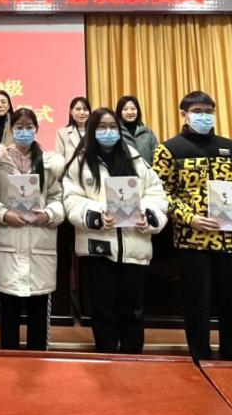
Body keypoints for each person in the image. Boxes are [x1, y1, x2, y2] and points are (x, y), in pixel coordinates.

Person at [153, 91, 232, 362]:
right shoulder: (169, 149)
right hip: (193, 241)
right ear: (184, 114)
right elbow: (161, 193)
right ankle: (200, 357)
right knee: (196, 304)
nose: (204, 116)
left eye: (208, 111)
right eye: (197, 111)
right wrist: (189, 217)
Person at [62, 108, 168, 354]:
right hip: (98, 249)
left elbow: (156, 193)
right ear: (92, 130)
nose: (108, 132)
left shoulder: (135, 159)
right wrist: (97, 216)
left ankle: (133, 358)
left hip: (134, 246)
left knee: (133, 311)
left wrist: (147, 216)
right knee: (103, 310)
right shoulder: (79, 163)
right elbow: (72, 201)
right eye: (102, 127)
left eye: (112, 127)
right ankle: (106, 358)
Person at [0, 108, 65, 350]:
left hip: (40, 244)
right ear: (11, 129)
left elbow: (59, 199)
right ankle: (8, 366)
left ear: (37, 129)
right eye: (19, 127)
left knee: (39, 317)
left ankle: (39, 365)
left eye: (29, 127)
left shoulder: (49, 163)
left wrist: (48, 215)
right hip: (9, 243)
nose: (24, 132)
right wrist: (4, 214)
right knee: (8, 316)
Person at [115, 95, 160, 166]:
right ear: (119, 112)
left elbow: (156, 156)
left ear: (138, 111)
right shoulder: (115, 132)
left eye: (133, 109)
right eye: (125, 109)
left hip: (147, 172)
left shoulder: (148, 132)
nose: (129, 112)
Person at [55, 96, 90, 164]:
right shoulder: (62, 133)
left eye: (85, 109)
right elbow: (59, 159)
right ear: (71, 112)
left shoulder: (94, 132)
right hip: (70, 170)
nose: (82, 112)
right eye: (78, 109)